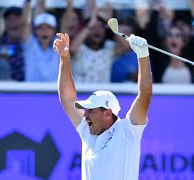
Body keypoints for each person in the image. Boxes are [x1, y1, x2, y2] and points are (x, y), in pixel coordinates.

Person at [53, 33, 152, 179]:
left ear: (107, 113)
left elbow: (145, 95)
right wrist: (65, 58)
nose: (85, 115)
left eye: (91, 111)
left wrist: (143, 55)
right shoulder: (87, 132)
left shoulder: (128, 131)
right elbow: (67, 98)